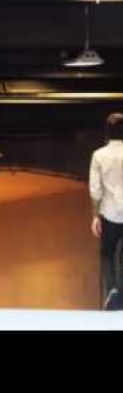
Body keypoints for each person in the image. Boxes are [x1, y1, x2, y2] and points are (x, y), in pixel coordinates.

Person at [89, 113, 123, 310]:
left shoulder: (99, 155)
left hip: (109, 214)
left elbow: (95, 189)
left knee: (107, 254)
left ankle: (111, 289)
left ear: (107, 132)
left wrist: (95, 216)